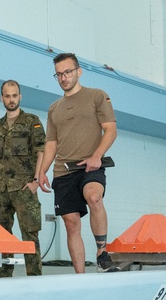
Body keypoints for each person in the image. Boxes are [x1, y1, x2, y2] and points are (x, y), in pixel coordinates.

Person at [38, 52, 118, 273]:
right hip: (63, 172)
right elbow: (51, 142)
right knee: (71, 224)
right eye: (58, 75)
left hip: (90, 165)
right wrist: (42, 171)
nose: (63, 78)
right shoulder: (54, 108)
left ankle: (102, 253)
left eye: (67, 72)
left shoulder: (97, 96)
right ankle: (80, 277)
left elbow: (110, 130)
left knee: (94, 196)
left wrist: (97, 156)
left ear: (78, 72)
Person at [0, 80, 45, 277]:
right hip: (2, 190)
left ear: (20, 96)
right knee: (2, 237)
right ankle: (3, 278)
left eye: (14, 95)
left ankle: (35, 278)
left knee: (30, 235)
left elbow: (41, 152)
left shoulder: (32, 121)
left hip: (24, 188)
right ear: (1, 98)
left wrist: (36, 181)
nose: (11, 99)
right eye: (7, 96)